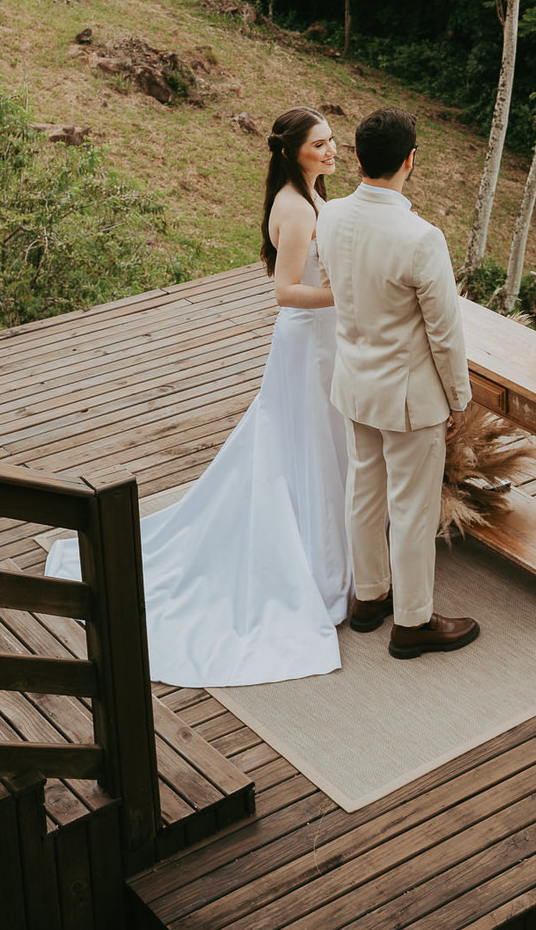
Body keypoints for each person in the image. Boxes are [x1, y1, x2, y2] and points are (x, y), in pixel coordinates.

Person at [45, 107, 353, 686]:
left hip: (324, 341)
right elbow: (286, 292)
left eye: (332, 141)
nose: (332, 150)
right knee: (302, 443)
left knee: (317, 442)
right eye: (320, 144)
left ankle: (333, 545)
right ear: (292, 151)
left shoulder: (313, 196)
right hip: (305, 341)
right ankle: (311, 560)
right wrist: (341, 294)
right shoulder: (292, 208)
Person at [315, 107, 479, 660]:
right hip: (408, 397)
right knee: (411, 506)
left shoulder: (331, 215)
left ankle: (369, 597)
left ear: (358, 158)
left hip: (354, 381)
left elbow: (333, 283)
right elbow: (445, 333)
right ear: (411, 161)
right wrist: (459, 398)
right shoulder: (421, 237)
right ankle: (412, 622)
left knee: (364, 489)